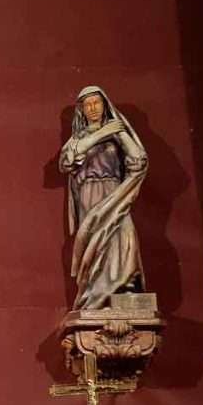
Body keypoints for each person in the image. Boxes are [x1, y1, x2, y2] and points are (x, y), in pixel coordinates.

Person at [59, 86, 148, 310]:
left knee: (125, 234)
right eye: (87, 105)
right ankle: (95, 295)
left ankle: (126, 287)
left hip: (116, 192)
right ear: (81, 110)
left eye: (97, 102)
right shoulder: (78, 138)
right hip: (90, 195)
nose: (92, 108)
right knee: (96, 242)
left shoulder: (116, 133)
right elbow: (66, 161)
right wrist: (101, 134)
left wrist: (118, 131)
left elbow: (139, 160)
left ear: (105, 104)